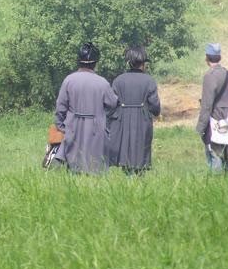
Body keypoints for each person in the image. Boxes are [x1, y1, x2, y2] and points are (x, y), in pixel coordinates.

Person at [53, 42, 119, 173]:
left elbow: (60, 107)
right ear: (95, 62)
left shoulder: (69, 80)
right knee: (95, 167)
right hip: (96, 129)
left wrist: (61, 126)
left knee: (74, 167)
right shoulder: (102, 83)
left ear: (79, 60)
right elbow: (113, 104)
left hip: (73, 127)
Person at [107, 46, 161, 175]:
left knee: (125, 153)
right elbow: (155, 107)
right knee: (140, 153)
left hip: (122, 121)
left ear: (129, 63)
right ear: (143, 64)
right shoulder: (149, 81)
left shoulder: (118, 80)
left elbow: (111, 105)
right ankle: (138, 181)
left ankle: (129, 180)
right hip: (142, 121)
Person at [196, 43, 228, 173]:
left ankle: (216, 182)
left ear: (206, 58)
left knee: (214, 154)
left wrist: (201, 127)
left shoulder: (209, 76)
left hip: (214, 119)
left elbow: (207, 105)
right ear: (219, 57)